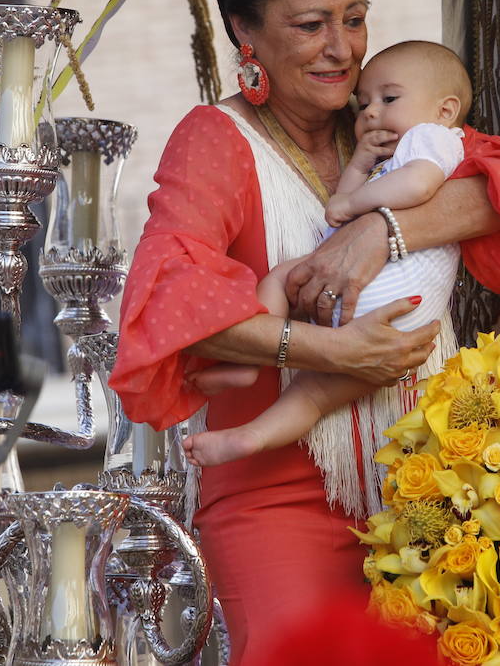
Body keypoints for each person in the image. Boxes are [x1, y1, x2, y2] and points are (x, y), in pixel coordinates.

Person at [109, 0, 500, 665]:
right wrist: (332, 352)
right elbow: (171, 300)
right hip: (275, 491)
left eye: (354, 19)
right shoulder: (216, 141)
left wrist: (379, 235)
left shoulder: (390, 121)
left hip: (438, 477)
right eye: (311, 25)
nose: (342, 49)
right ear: (245, 35)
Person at [182, 40, 473, 468]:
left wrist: (354, 203)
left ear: (445, 110)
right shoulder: (391, 154)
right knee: (315, 394)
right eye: (365, 102)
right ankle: (248, 432)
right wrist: (359, 165)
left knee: (282, 279)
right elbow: (342, 205)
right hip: (394, 315)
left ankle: (246, 374)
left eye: (389, 99)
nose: (371, 111)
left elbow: (416, 188)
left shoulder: (435, 139)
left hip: (391, 293)